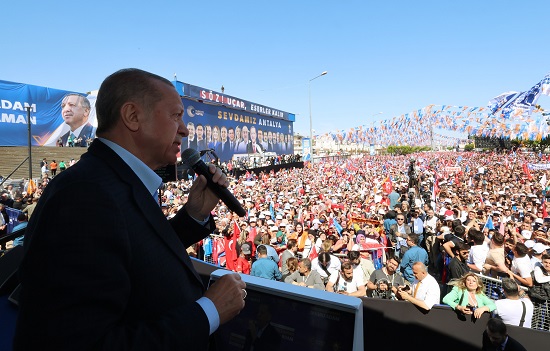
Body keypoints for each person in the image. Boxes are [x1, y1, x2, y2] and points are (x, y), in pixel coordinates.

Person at [14, 68, 246, 350]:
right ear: (133, 116)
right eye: (175, 115)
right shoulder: (85, 196)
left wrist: (194, 214)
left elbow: (134, 252)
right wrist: (209, 311)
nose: (184, 129)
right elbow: (81, 342)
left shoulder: (112, 180)